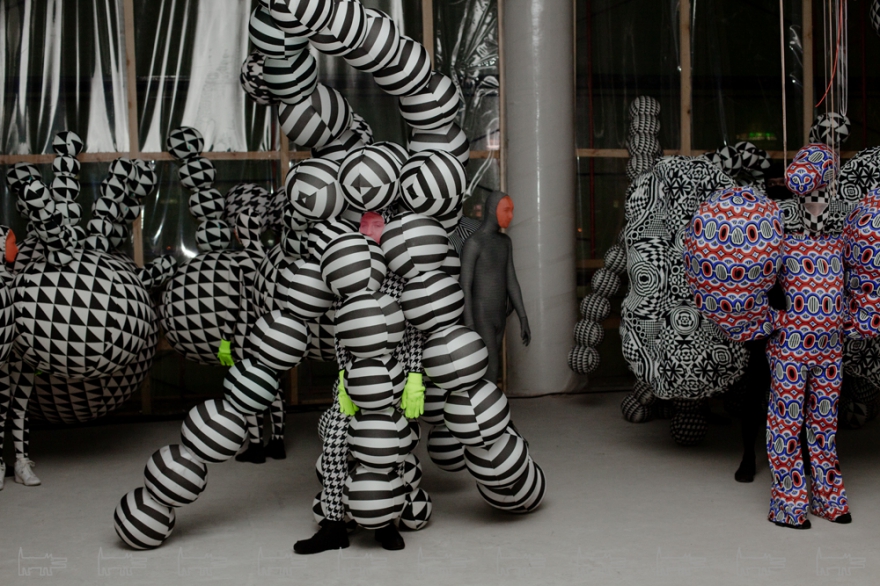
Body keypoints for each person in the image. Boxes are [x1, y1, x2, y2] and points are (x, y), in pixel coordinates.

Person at [460, 191, 530, 384]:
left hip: (499, 315)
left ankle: (487, 401)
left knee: (491, 365)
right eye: (506, 210)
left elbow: (511, 279)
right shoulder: (474, 243)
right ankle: (489, 403)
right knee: (491, 366)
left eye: (512, 210)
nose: (511, 216)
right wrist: (469, 323)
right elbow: (465, 285)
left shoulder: (505, 242)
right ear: (492, 210)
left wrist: (523, 317)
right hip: (482, 315)